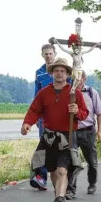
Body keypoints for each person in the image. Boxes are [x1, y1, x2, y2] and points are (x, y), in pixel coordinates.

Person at [21, 58, 89, 202]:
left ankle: (60, 200)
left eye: (62, 71)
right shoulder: (44, 92)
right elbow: (34, 110)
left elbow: (84, 114)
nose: (59, 74)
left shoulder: (75, 93)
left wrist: (76, 111)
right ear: (52, 73)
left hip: (68, 136)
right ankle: (57, 197)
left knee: (62, 170)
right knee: (52, 170)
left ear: (67, 74)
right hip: (49, 137)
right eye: (56, 71)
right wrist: (27, 123)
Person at [66, 71, 101, 198]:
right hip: (73, 131)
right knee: (73, 160)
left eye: (79, 78)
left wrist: (99, 131)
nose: (76, 80)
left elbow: (100, 113)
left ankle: (92, 183)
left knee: (92, 161)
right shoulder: (68, 92)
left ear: (84, 79)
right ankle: (71, 189)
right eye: (73, 78)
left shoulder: (91, 93)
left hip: (88, 131)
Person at [30, 44, 58, 191]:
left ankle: (64, 177)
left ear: (55, 54)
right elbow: (36, 97)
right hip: (44, 118)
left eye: (50, 53)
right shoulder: (39, 73)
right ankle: (41, 177)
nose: (48, 56)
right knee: (44, 145)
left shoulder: (60, 70)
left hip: (59, 115)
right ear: (42, 55)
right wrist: (35, 116)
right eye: (46, 54)